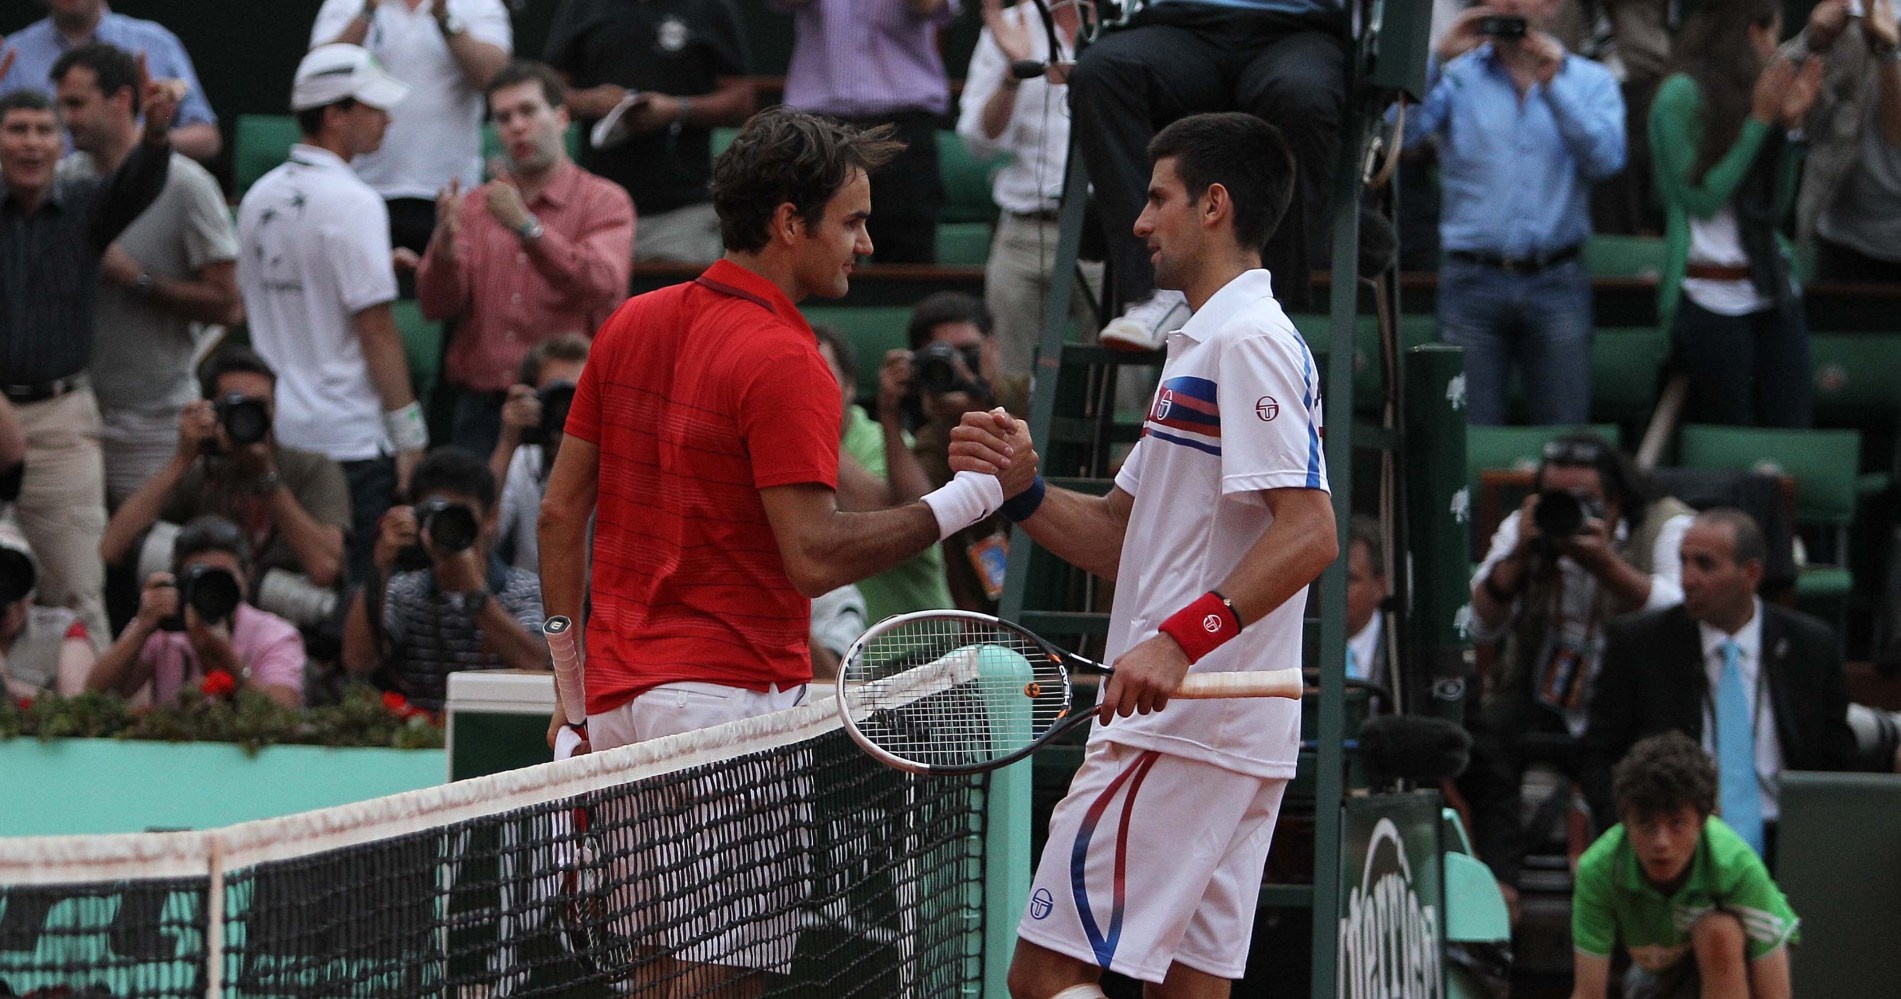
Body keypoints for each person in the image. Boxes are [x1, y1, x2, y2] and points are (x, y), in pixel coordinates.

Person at [537, 107, 1009, 997]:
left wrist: (571, 690)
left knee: (654, 979)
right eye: (852, 221)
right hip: (728, 714)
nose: (866, 244)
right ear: (790, 222)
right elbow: (815, 557)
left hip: (623, 710)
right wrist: (964, 501)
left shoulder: (630, 320)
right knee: (718, 987)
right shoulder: (788, 357)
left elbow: (559, 516)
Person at [950, 111, 1337, 999]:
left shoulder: (1246, 341)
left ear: (1213, 205)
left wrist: (1175, 641)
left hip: (1188, 722)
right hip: (1226, 729)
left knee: (1042, 976)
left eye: (1155, 199)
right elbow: (1121, 537)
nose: (1137, 221)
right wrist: (1024, 490)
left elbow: (1310, 532)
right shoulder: (1203, 345)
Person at [1462, 432, 1693, 902]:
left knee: (1629, 769)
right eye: (1557, 496)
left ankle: (1633, 898)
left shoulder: (1664, 524)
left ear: (1615, 500)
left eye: (1584, 499)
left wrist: (1606, 564)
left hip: (1629, 698)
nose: (1567, 508)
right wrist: (1521, 557)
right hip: (1539, 690)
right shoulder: (1528, 524)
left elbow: (1683, 616)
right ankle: (1500, 891)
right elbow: (1476, 625)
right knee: (1486, 748)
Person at [0, 69, 177, 645]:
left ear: (62, 143)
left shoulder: (86, 207)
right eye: (16, 129)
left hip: (58, 419)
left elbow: (139, 185)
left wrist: (153, 135)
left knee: (78, 586)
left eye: (43, 131)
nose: (30, 143)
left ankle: (90, 723)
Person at [239, 44, 424, 585]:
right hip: (349, 444)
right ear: (336, 115)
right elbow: (378, 332)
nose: (387, 118)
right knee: (352, 600)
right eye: (373, 106)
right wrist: (410, 440)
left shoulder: (256, 198)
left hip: (278, 438)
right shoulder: (356, 203)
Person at [1582, 508, 1855, 859]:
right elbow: (1599, 755)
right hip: (1677, 842)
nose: (1687, 579)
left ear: (1751, 573)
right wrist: (1632, 834)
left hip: (1786, 838)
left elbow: (1837, 761)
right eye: (1684, 562)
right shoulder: (1640, 645)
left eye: (1705, 565)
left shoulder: (1811, 646)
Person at [1079, 0, 1348, 349]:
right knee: (1101, 71)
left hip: (1297, 28)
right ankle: (1158, 292)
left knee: (1302, 97)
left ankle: (1261, 302)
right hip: (1182, 21)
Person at [1407, 0, 1625, 426]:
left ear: (1549, 5)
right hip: (1473, 282)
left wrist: (1554, 87)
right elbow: (1400, 133)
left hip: (1557, 280)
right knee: (1467, 435)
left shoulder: (1588, 80)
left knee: (1563, 431)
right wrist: (1436, 59)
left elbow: (1606, 162)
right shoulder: (1457, 77)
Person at [52, 42, 242, 507]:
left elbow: (228, 305)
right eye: (61, 106)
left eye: (76, 104)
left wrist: (137, 279)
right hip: (73, 415)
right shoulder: (61, 182)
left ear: (121, 100)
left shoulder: (188, 185)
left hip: (154, 421)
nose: (66, 119)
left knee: (150, 562)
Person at [417, 60, 634, 458]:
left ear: (562, 117)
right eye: (503, 117)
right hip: (482, 410)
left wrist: (526, 227)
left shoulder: (605, 201)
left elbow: (602, 284)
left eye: (528, 111)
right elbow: (434, 307)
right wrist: (444, 253)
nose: (516, 126)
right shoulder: (472, 207)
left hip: (568, 408)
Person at [1651, 0, 1821, 428]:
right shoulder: (1679, 95)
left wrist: (1789, 130)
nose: (1777, 49)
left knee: (1793, 424)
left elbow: (1774, 207)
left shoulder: (1758, 92)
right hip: (1709, 293)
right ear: (1751, 33)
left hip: (1771, 283)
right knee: (1729, 431)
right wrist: (1760, 124)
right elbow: (1701, 199)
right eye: (1773, 35)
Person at [100, 347, 353, 604]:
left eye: (260, 406)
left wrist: (266, 476)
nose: (250, 416)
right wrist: (182, 459)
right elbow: (112, 549)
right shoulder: (200, 471)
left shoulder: (313, 469)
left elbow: (325, 569)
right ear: (211, 410)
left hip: (288, 611)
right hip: (207, 608)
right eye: (238, 405)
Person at [1571, 731, 1798, 999]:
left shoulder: (1735, 866)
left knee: (1719, 933)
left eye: (1676, 823)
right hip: (1656, 973)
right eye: (1646, 824)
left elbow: (1775, 995)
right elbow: (1588, 993)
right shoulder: (1598, 869)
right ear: (1625, 822)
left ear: (1703, 822)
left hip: (1745, 967)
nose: (1661, 843)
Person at [543, 0, 753, 263]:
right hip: (595, 209)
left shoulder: (711, 6)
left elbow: (741, 97)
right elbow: (546, 91)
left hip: (681, 212)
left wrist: (677, 109)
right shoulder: (581, 6)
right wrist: (590, 102)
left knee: (681, 303)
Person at [343, 447, 545, 709]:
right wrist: (380, 565)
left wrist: (474, 592)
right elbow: (357, 661)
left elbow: (536, 663)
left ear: (490, 519)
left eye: (460, 517)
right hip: (419, 738)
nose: (448, 528)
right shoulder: (403, 592)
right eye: (438, 517)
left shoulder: (525, 590)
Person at [310, 0, 512, 259]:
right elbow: (318, 77)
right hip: (361, 189)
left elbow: (494, 78)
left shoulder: (481, 4)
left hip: (450, 196)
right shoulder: (345, 3)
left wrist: (443, 16)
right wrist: (367, 10)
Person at [956, 0, 1098, 362]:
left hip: (1106, 229)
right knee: (1009, 378)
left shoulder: (1130, 19)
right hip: (1025, 228)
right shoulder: (1009, 26)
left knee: (1118, 380)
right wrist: (1013, 70)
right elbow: (979, 142)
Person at [773, 0, 954, 264]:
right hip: (821, 125)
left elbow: (928, 5)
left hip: (901, 124)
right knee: (813, 249)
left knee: (907, 258)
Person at [894, 292, 1031, 611]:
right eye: (942, 358)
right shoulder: (935, 437)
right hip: (983, 604)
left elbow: (1039, 468)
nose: (956, 368)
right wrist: (891, 411)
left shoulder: (1032, 398)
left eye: (968, 353)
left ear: (993, 347)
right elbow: (918, 515)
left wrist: (983, 403)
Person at [87, 515, 307, 709]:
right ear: (180, 578)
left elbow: (283, 713)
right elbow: (93, 698)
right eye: (200, 577)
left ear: (247, 577)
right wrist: (142, 626)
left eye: (222, 577)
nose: (212, 589)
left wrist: (225, 654)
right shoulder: (164, 627)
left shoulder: (275, 634)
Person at [813, 324, 954, 622]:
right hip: (842, 657)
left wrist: (802, 420)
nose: (805, 390)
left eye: (817, 377)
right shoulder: (771, 445)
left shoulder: (880, 443)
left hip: (921, 650)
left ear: (850, 388)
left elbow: (895, 517)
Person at [0, 0, 220, 161]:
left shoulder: (157, 44)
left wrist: (151, 138)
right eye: (66, 104)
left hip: (140, 190)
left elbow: (207, 138)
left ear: (123, 98)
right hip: (43, 201)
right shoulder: (12, 53)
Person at [1789, 0, 1901, 283]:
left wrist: (1888, 52)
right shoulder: (1851, 24)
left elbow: (1896, 134)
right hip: (1840, 237)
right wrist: (1813, 40)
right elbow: (1772, 97)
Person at [490, 332, 589, 573]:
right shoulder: (523, 460)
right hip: (531, 603)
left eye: (578, 394)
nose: (567, 408)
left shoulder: (617, 460)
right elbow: (485, 536)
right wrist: (507, 442)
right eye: (557, 394)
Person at [0, 521, 96, 701]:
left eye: (14, 586)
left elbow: (79, 708)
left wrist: (11, 688)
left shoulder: (62, 629)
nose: (9, 607)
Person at [1344, 513, 1389, 690]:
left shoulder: (1402, 649)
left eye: (1350, 579)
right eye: (1327, 577)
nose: (1332, 590)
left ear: (1380, 587)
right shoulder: (1303, 645)